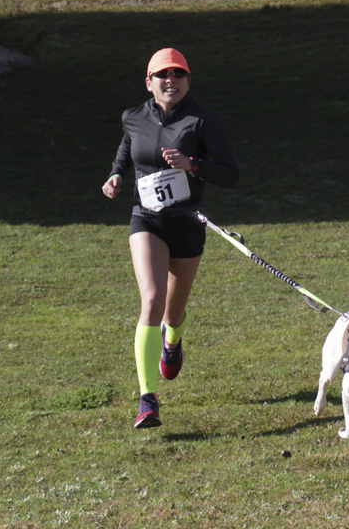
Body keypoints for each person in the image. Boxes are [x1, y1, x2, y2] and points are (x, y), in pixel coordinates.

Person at [102, 48, 239, 428]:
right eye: (163, 74)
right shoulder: (133, 117)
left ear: (188, 81)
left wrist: (192, 164)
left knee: (173, 313)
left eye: (179, 74)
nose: (171, 80)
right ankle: (147, 400)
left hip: (188, 224)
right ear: (149, 82)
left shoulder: (201, 121)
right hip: (147, 220)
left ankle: (173, 340)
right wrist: (116, 175)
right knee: (152, 301)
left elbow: (230, 174)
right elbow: (127, 149)